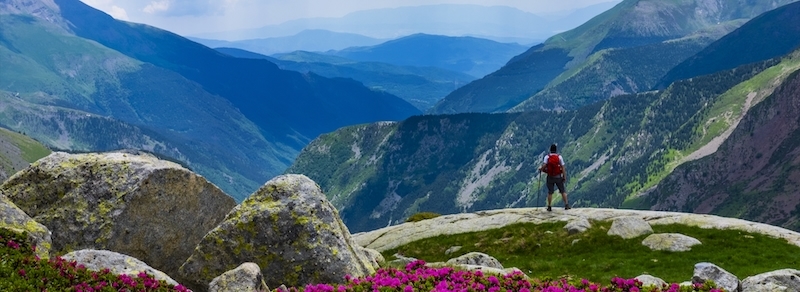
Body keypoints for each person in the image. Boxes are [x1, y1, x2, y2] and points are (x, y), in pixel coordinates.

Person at [540, 143, 570, 211]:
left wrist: (541, 169)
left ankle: (549, 206)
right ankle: (566, 205)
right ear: (556, 150)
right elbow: (563, 167)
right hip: (558, 177)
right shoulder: (559, 157)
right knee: (562, 191)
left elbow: (544, 165)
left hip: (550, 177)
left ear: (550, 150)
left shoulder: (547, 157)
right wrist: (564, 177)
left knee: (550, 192)